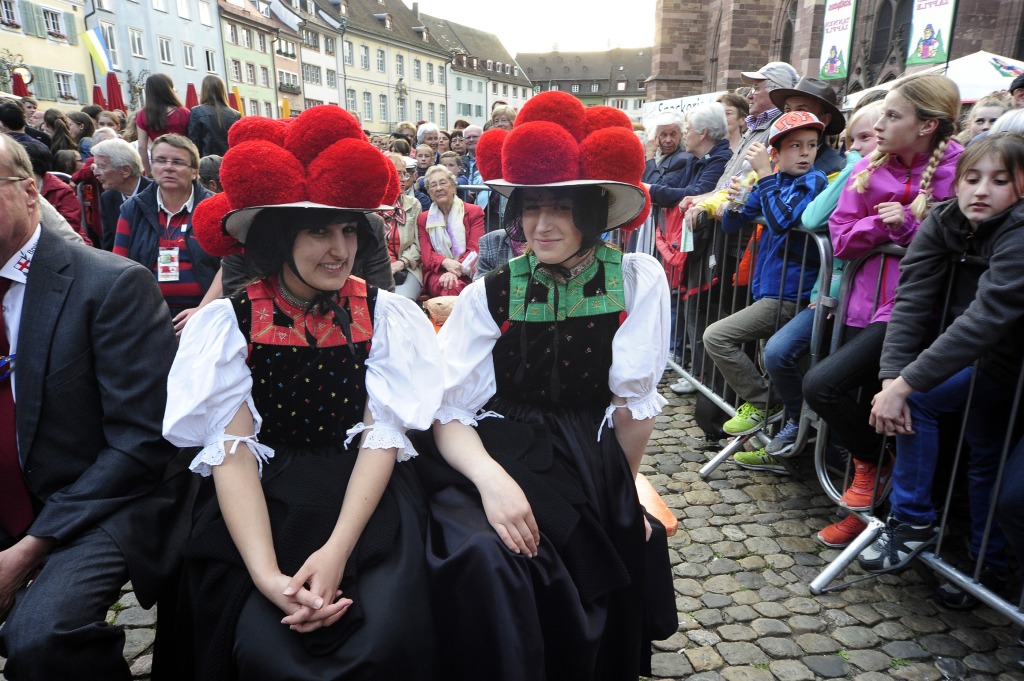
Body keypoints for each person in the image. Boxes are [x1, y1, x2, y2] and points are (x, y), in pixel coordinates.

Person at [161, 108, 442, 680]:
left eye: (346, 230)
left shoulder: (383, 315)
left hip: (363, 494)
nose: (338, 249)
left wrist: (336, 551)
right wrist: (267, 575)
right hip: (261, 498)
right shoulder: (230, 324)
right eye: (318, 231)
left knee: (381, 635)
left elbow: (380, 436)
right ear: (278, 237)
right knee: (257, 644)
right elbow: (233, 452)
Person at [414, 91, 675, 680]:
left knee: (584, 554)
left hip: (586, 452)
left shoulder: (635, 280)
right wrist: (490, 481)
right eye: (531, 208)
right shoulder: (492, 289)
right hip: (495, 444)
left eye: (561, 209)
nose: (541, 225)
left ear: (594, 211)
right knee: (482, 552)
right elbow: (448, 408)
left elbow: (632, 408)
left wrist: (621, 493)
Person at [0, 132, 191, 680]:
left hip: (99, 498)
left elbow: (139, 444)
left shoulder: (109, 285)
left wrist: (27, 552)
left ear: (31, 192)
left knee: (42, 638)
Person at [860, 134, 1024, 582]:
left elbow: (987, 318)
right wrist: (890, 379)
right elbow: (910, 299)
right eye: (971, 178)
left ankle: (923, 526)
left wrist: (905, 386)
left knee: (931, 410)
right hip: (973, 360)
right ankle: (980, 562)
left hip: (1003, 363)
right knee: (980, 452)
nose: (981, 190)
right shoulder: (945, 219)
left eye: (1000, 180)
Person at [800, 75, 963, 519]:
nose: (881, 125)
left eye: (893, 115)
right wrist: (883, 224)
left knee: (870, 399)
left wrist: (909, 227)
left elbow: (960, 243)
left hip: (923, 312)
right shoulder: (867, 166)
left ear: (927, 125)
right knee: (848, 398)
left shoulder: (963, 170)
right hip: (862, 303)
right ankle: (870, 481)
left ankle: (884, 504)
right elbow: (841, 239)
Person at [762, 102, 885, 494]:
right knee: (782, 356)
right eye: (859, 139)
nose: (865, 146)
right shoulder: (855, 173)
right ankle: (798, 422)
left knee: (835, 385)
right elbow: (815, 223)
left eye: (870, 138)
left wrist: (852, 169)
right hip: (832, 294)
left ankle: (854, 470)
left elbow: (807, 221)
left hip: (878, 307)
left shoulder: (831, 175)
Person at [700, 112, 827, 449]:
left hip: (791, 292)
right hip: (767, 289)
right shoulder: (771, 181)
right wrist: (737, 198)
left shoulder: (812, 181)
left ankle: (763, 401)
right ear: (777, 152)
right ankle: (776, 439)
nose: (805, 153)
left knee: (716, 337)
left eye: (811, 146)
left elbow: (784, 219)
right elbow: (731, 223)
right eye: (795, 146)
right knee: (765, 362)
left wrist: (766, 176)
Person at [113, 134, 219, 326]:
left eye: (178, 162)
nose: (168, 167)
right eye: (161, 160)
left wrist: (203, 310)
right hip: (147, 314)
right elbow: (119, 266)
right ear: (152, 168)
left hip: (206, 314)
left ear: (194, 172)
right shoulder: (133, 209)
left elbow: (230, 266)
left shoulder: (215, 208)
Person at [646, 103, 733, 207]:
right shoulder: (694, 159)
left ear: (703, 133)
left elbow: (696, 194)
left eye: (687, 130)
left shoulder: (721, 160)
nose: (684, 136)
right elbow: (668, 186)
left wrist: (649, 188)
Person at [417, 164, 484, 297]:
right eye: (433, 185)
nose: (439, 188)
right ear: (429, 193)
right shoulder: (423, 218)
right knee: (450, 286)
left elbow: (475, 250)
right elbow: (426, 254)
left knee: (453, 285)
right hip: (437, 271)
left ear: (453, 186)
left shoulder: (473, 212)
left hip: (468, 269)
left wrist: (455, 270)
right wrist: (446, 263)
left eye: (443, 183)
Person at [93, 138, 151, 251]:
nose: (96, 173)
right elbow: (110, 246)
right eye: (96, 166)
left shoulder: (157, 194)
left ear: (126, 171)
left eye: (102, 167)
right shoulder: (107, 198)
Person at [385, 152, 424, 299]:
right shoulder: (371, 206)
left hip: (408, 267)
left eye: (405, 174)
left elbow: (419, 243)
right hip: (376, 269)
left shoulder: (414, 204)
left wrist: (401, 263)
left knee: (401, 301)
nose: (403, 180)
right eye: (397, 174)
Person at [136, 74, 191, 177]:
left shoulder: (143, 114)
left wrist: (148, 171)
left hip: (159, 160)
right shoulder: (183, 112)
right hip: (181, 159)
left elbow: (141, 147)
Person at [642, 111, 692, 206]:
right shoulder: (658, 156)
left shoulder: (682, 159)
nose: (668, 140)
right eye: (663, 135)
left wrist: (650, 156)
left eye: (673, 134)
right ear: (655, 137)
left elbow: (656, 189)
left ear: (681, 135)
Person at [187, 75, 241, 158]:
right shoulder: (235, 115)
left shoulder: (197, 112)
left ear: (204, 91)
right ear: (222, 91)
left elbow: (194, 143)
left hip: (205, 162)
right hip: (227, 162)